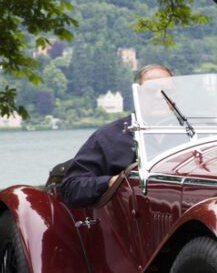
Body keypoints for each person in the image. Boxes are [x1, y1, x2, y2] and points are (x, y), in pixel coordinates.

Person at [58, 64, 172, 208]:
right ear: (138, 94)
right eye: (151, 90)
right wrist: (112, 182)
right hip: (126, 220)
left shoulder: (195, 137)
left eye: (166, 91)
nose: (159, 96)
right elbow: (72, 187)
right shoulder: (109, 136)